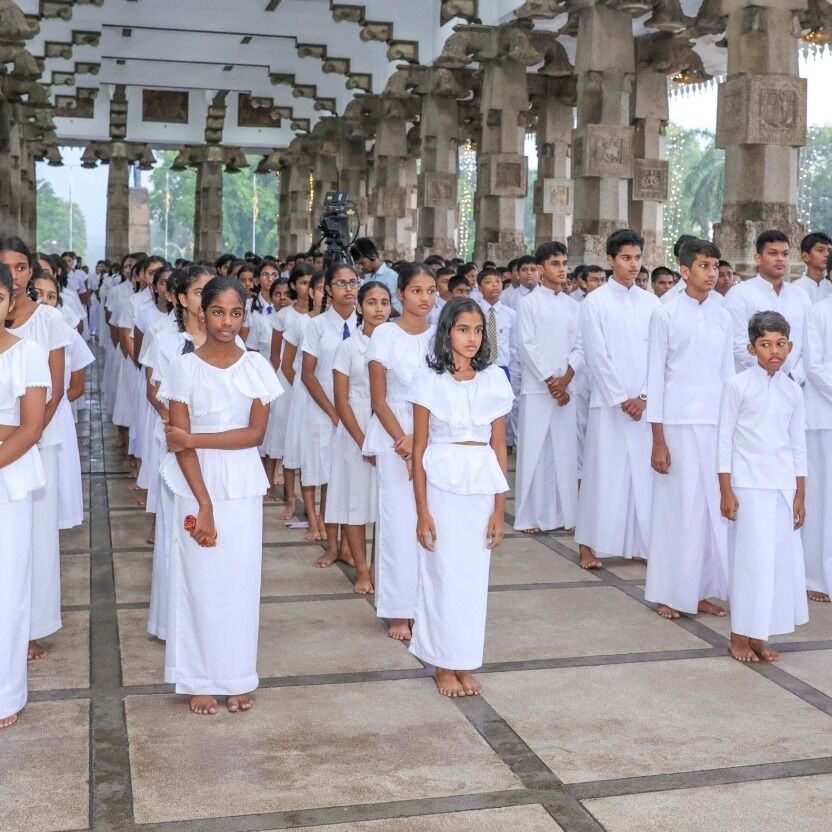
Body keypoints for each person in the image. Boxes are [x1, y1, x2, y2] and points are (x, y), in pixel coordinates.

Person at [158, 276, 283, 715]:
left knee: (239, 581)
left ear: (244, 315)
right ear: (202, 313)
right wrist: (204, 503)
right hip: (196, 482)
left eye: (235, 313)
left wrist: (194, 439)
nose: (227, 322)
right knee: (199, 580)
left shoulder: (256, 366)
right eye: (217, 312)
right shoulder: (183, 368)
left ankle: (236, 676)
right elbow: (178, 443)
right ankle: (198, 679)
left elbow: (254, 435)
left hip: (240, 480)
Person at [409, 297, 513, 698]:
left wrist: (500, 509)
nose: (472, 338)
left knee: (472, 578)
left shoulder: (494, 379)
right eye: (463, 329)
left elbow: (499, 445)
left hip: (480, 484)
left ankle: (464, 659)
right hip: (442, 483)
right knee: (443, 574)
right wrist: (422, 511)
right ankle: (442, 663)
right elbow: (418, 449)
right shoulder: (428, 379)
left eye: (478, 330)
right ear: (447, 332)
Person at [644, 239, 734, 620]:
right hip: (677, 426)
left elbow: (728, 377)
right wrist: (658, 441)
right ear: (684, 271)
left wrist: (732, 431)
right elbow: (655, 379)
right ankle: (669, 592)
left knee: (710, 511)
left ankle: (699, 590)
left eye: (715, 266)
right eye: (703, 266)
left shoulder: (723, 314)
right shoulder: (664, 314)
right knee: (678, 510)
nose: (712, 273)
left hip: (714, 423)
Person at [718, 311, 808, 663]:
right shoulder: (737, 386)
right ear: (751, 348)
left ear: (790, 347)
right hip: (748, 487)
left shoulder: (792, 390)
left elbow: (797, 446)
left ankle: (760, 635)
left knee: (776, 564)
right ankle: (739, 635)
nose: (774, 351)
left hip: (782, 489)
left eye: (780, 344)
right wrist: (726, 490)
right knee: (750, 563)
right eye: (766, 344)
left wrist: (800, 495)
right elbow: (724, 441)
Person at [0, 236, 73, 661]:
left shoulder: (48, 320)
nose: (15, 275)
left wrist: (26, 439)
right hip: (12, 438)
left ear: (32, 271)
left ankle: (30, 628)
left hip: (36, 441)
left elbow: (56, 388)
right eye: (6, 266)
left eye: (22, 266)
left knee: (33, 539)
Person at [575, 229, 660, 570]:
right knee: (602, 473)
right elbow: (596, 355)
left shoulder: (652, 304)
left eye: (637, 258)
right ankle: (588, 545)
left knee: (643, 475)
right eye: (626, 258)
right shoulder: (595, 302)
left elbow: (660, 356)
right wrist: (621, 398)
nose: (633, 264)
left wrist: (644, 396)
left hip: (644, 405)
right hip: (609, 404)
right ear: (611, 260)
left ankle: (640, 543)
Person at [363, 262, 437, 641]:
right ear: (401, 294)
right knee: (397, 521)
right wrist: (405, 442)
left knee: (431, 520)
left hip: (433, 433)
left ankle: (427, 605)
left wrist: (421, 438)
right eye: (417, 291)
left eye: (431, 291)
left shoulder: (441, 336)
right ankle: (397, 609)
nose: (425, 298)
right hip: (394, 437)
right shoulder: (385, 335)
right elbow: (378, 398)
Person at [143, 265, 216, 641]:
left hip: (217, 447)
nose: (207, 299)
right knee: (179, 531)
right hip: (179, 443)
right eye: (200, 292)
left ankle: (210, 619)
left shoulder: (226, 340)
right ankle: (174, 623)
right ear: (183, 298)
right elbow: (155, 391)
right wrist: (181, 426)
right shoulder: (168, 342)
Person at [0, 263, 50, 729]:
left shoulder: (26, 354)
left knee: (7, 584)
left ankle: (4, 692)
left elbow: (31, 427)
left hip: (8, 476)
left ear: (10, 302)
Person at [326, 280, 392, 594]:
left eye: (384, 303)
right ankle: (362, 571)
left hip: (388, 427)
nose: (379, 309)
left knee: (384, 504)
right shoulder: (348, 347)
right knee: (354, 503)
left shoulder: (395, 344)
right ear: (360, 307)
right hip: (355, 429)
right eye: (372, 302)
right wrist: (364, 441)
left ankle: (379, 568)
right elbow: (341, 401)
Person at [514, 241, 582, 535]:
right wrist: (550, 381)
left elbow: (581, 346)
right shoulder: (528, 304)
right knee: (536, 451)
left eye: (564, 263)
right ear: (541, 269)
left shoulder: (574, 306)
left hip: (567, 390)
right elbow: (526, 346)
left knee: (565, 452)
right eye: (555, 264)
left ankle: (567, 515)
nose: (562, 269)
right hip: (537, 389)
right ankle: (531, 517)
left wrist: (565, 381)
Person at [300, 263, 359, 568]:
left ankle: (350, 547)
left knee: (352, 482)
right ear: (329, 290)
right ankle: (332, 546)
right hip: (325, 412)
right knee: (329, 479)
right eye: (340, 284)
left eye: (353, 282)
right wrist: (334, 412)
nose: (348, 289)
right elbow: (307, 374)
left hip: (358, 414)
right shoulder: (318, 325)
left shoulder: (367, 324)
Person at [724, 230, 810, 380]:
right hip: (751, 382)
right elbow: (738, 345)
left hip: (793, 382)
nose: (780, 259)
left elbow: (809, 343)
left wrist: (795, 376)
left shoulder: (800, 295)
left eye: (785, 254)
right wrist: (770, 372)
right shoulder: (739, 294)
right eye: (773, 253)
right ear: (758, 258)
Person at [281, 272, 326, 530]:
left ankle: (323, 514)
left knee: (324, 454)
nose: (324, 294)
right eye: (319, 289)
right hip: (303, 392)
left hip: (328, 391)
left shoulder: (337, 324)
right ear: (311, 293)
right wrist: (299, 389)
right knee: (299, 449)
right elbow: (286, 364)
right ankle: (295, 502)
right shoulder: (300, 323)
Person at [800, 290, 832, 603]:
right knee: (822, 498)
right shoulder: (818, 312)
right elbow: (815, 367)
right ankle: (816, 577)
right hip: (824, 419)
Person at [350, 237, 401, 313]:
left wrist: (372, 313)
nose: (361, 267)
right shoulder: (368, 278)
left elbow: (398, 309)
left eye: (362, 263)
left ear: (373, 255)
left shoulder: (391, 277)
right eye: (358, 264)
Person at [794, 231, 832, 304]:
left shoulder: (830, 287)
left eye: (829, 251)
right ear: (805, 256)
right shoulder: (795, 288)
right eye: (820, 250)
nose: (827, 254)